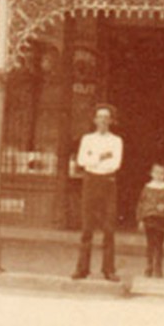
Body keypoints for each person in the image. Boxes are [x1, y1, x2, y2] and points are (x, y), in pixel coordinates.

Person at [71, 104, 123, 281]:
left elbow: (115, 164)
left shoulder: (116, 141)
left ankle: (108, 270)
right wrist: (101, 157)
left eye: (106, 117)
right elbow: (81, 160)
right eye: (99, 116)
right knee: (87, 228)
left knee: (108, 228)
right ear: (94, 120)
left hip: (108, 182)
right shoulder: (87, 139)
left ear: (111, 120)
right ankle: (82, 269)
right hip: (90, 181)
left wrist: (94, 159)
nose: (102, 120)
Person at [135, 162, 164, 278]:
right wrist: (140, 219)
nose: (159, 175)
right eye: (156, 172)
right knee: (150, 244)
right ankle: (149, 267)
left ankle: (158, 267)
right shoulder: (147, 187)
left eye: (162, 173)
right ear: (151, 173)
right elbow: (141, 204)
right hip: (149, 218)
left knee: (159, 244)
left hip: (162, 220)